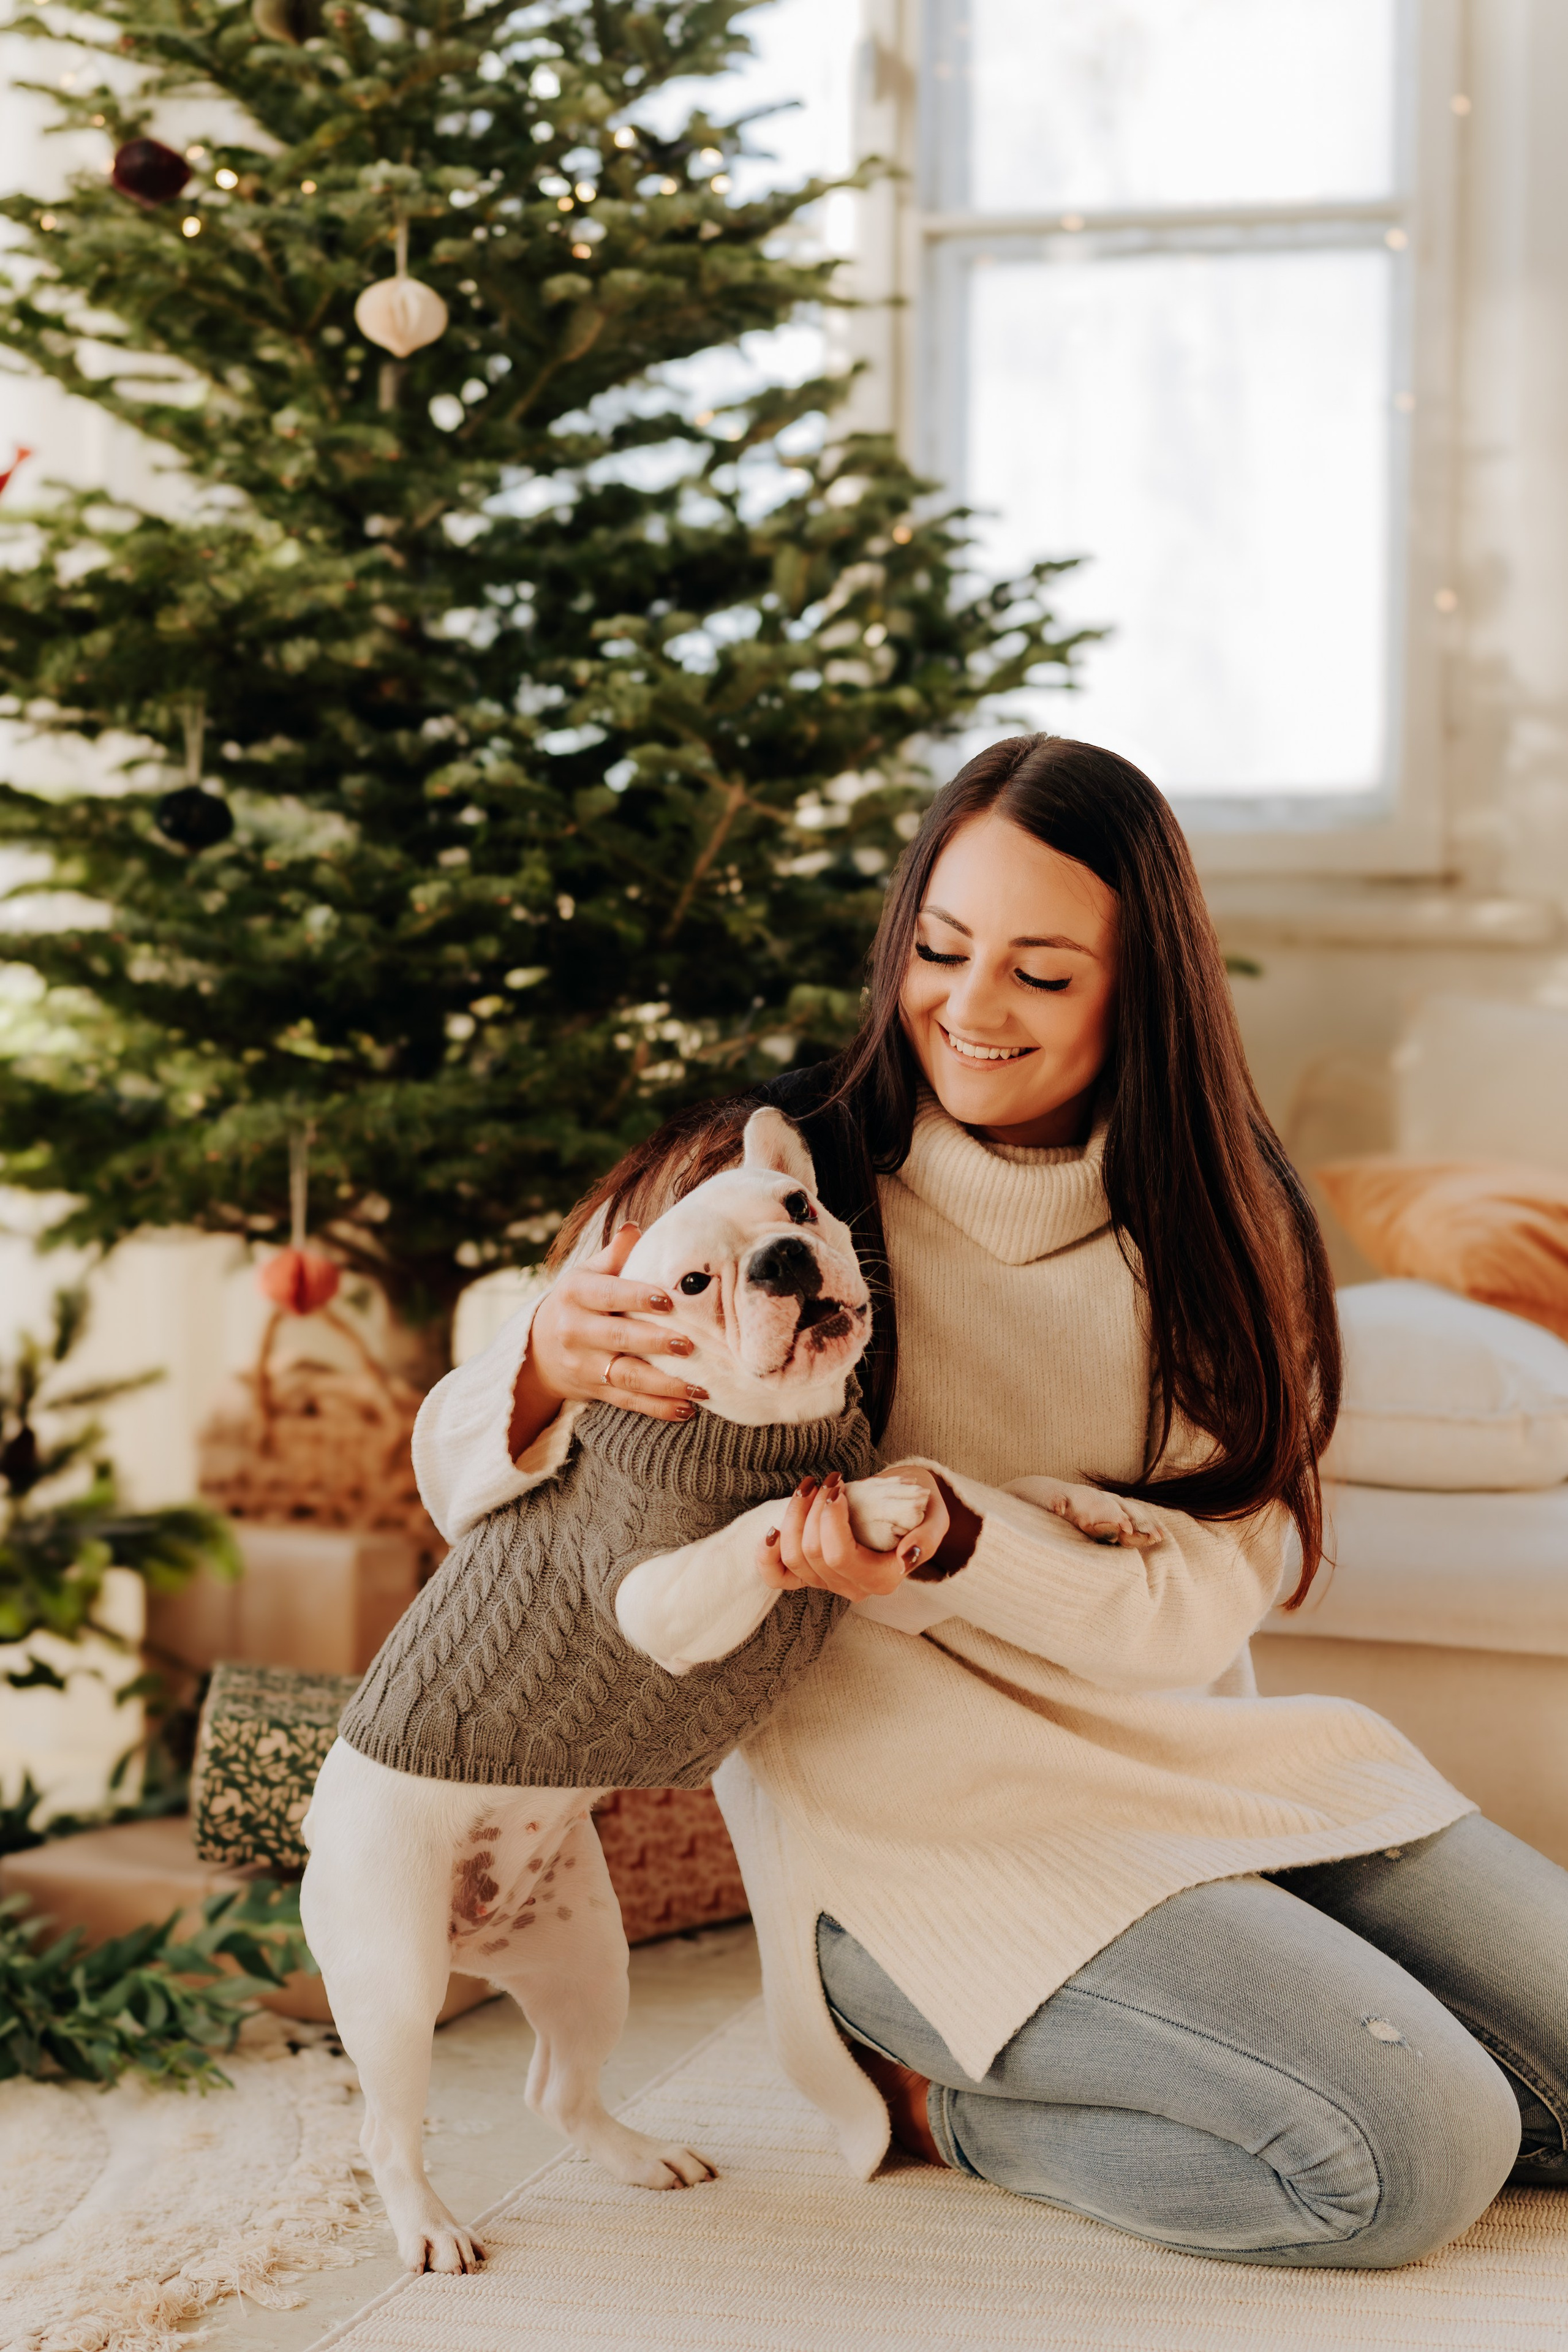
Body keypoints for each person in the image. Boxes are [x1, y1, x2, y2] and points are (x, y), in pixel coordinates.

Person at [414, 734, 1568, 2269]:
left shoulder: (1219, 1226)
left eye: (1040, 971)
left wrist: (964, 1540)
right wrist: (544, 1368)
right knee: (1410, 2158)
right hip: (914, 1836)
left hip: (1199, 1763)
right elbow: (462, 1487)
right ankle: (929, 2096)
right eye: (941, 950)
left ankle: (1284, 2027)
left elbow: (1201, 1596)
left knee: (1503, 2085)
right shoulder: (773, 1184)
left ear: (1139, 986)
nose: (967, 1008)